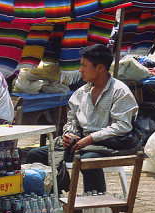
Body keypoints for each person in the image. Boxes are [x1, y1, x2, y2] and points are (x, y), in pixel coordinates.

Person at [26, 44, 139, 193]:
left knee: (88, 159)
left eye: (84, 65)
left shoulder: (120, 91)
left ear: (99, 68)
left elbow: (122, 126)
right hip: (82, 144)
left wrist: (91, 138)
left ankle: (96, 206)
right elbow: (72, 120)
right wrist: (69, 134)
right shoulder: (81, 92)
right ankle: (52, 201)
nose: (80, 70)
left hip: (112, 145)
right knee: (35, 155)